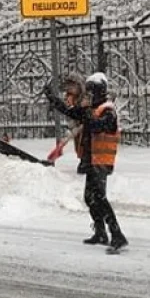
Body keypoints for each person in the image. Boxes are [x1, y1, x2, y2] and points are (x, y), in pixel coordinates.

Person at [45, 72, 128, 254]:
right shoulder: (91, 109)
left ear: (99, 93)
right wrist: (52, 98)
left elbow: (99, 125)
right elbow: (70, 111)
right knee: (90, 198)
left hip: (101, 161)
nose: (88, 97)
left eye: (91, 94)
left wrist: (87, 114)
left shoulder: (108, 110)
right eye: (87, 94)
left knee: (100, 198)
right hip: (91, 160)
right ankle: (100, 232)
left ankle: (117, 234)